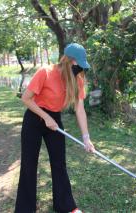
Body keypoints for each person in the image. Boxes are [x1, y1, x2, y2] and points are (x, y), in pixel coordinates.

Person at [15, 43, 96, 213]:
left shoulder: (77, 79)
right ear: (68, 61)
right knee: (29, 165)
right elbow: (26, 99)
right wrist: (45, 117)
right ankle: (25, 209)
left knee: (59, 163)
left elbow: (79, 109)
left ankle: (65, 206)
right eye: (78, 64)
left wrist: (86, 137)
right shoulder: (46, 72)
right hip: (34, 118)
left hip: (54, 118)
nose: (80, 68)